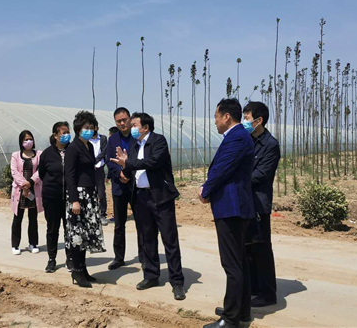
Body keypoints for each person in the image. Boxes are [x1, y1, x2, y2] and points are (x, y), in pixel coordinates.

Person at [112, 112, 186, 301]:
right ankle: (151, 275)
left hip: (160, 196)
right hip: (141, 198)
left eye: (134, 125)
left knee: (170, 239)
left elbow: (153, 162)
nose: (132, 128)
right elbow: (132, 166)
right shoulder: (134, 145)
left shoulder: (158, 141)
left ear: (145, 127)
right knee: (147, 239)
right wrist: (125, 170)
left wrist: (129, 163)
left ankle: (177, 281)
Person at [199, 98, 255, 328]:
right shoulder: (238, 136)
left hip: (232, 208)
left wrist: (205, 190)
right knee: (239, 261)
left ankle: (230, 319)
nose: (214, 121)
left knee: (232, 264)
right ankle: (241, 310)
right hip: (234, 207)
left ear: (226, 117)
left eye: (216, 116)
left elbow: (222, 169)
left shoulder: (237, 137)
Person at [242, 101, 280, 308]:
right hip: (244, 201)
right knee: (248, 248)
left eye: (247, 118)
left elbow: (261, 174)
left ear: (259, 120)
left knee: (262, 248)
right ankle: (254, 288)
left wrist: (236, 179)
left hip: (259, 202)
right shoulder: (246, 140)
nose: (244, 122)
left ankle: (268, 293)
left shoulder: (270, 145)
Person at [65, 110, 105, 288]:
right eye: (85, 127)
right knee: (77, 234)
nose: (89, 130)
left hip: (89, 194)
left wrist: (95, 195)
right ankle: (76, 270)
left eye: (91, 127)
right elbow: (69, 175)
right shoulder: (73, 148)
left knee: (85, 233)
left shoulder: (88, 146)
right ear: (78, 129)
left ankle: (83, 268)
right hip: (78, 195)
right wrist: (74, 200)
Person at [106, 107, 144, 270]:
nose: (122, 123)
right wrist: (119, 173)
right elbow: (109, 160)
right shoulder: (113, 139)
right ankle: (119, 257)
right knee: (119, 224)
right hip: (119, 186)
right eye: (118, 121)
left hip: (137, 185)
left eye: (124, 120)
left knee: (141, 223)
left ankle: (144, 256)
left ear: (130, 119)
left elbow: (142, 158)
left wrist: (129, 172)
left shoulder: (138, 136)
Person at [39, 121, 73, 273]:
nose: (66, 135)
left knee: (69, 229)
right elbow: (42, 174)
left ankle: (70, 259)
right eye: (63, 132)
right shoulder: (47, 154)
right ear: (55, 135)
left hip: (70, 197)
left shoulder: (72, 150)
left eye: (68, 132)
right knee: (52, 229)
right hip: (51, 197)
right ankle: (51, 259)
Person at [10, 130, 43, 256]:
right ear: (21, 142)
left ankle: (33, 244)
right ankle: (15, 245)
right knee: (17, 218)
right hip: (20, 190)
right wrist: (24, 185)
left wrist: (31, 182)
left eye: (30, 139)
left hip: (33, 189)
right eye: (25, 140)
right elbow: (14, 172)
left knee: (33, 218)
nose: (28, 141)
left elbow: (41, 170)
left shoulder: (39, 154)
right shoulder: (15, 155)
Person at [90, 124, 109, 226]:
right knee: (90, 192)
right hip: (89, 169)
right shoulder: (86, 140)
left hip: (99, 168)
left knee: (101, 193)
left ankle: (102, 214)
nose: (91, 130)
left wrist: (95, 161)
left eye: (93, 128)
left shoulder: (103, 138)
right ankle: (92, 214)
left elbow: (104, 151)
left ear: (97, 128)